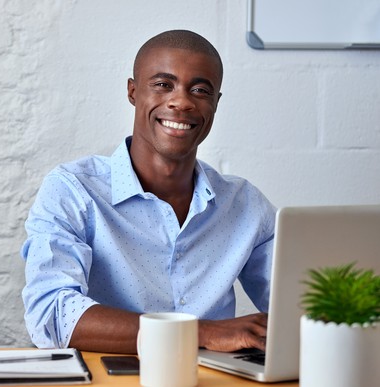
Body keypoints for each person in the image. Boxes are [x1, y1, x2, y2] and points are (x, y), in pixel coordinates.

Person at [21, 30, 276, 354]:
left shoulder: (245, 205)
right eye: (163, 84)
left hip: (213, 378)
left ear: (215, 103)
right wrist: (199, 333)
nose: (181, 101)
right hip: (111, 377)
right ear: (133, 91)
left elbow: (300, 308)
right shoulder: (74, 190)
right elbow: (52, 315)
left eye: (200, 89)